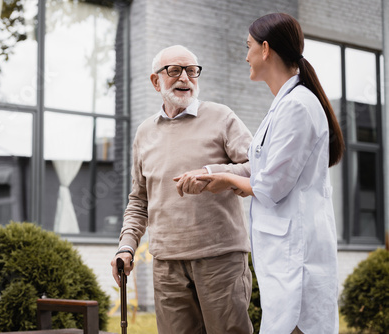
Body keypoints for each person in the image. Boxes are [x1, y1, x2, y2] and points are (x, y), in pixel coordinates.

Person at [176, 13, 345, 334]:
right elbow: (265, 168)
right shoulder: (286, 104)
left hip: (298, 258)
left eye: (249, 46)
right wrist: (211, 171)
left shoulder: (296, 106)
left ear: (266, 49)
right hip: (286, 256)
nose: (246, 56)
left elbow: (270, 185)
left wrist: (226, 181)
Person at [110, 45, 254, 334]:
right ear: (156, 81)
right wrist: (126, 247)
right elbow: (139, 201)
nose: (185, 78)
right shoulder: (144, 133)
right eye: (174, 71)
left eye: (191, 71)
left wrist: (215, 173)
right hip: (166, 265)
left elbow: (260, 168)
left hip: (220, 258)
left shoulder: (222, 117)